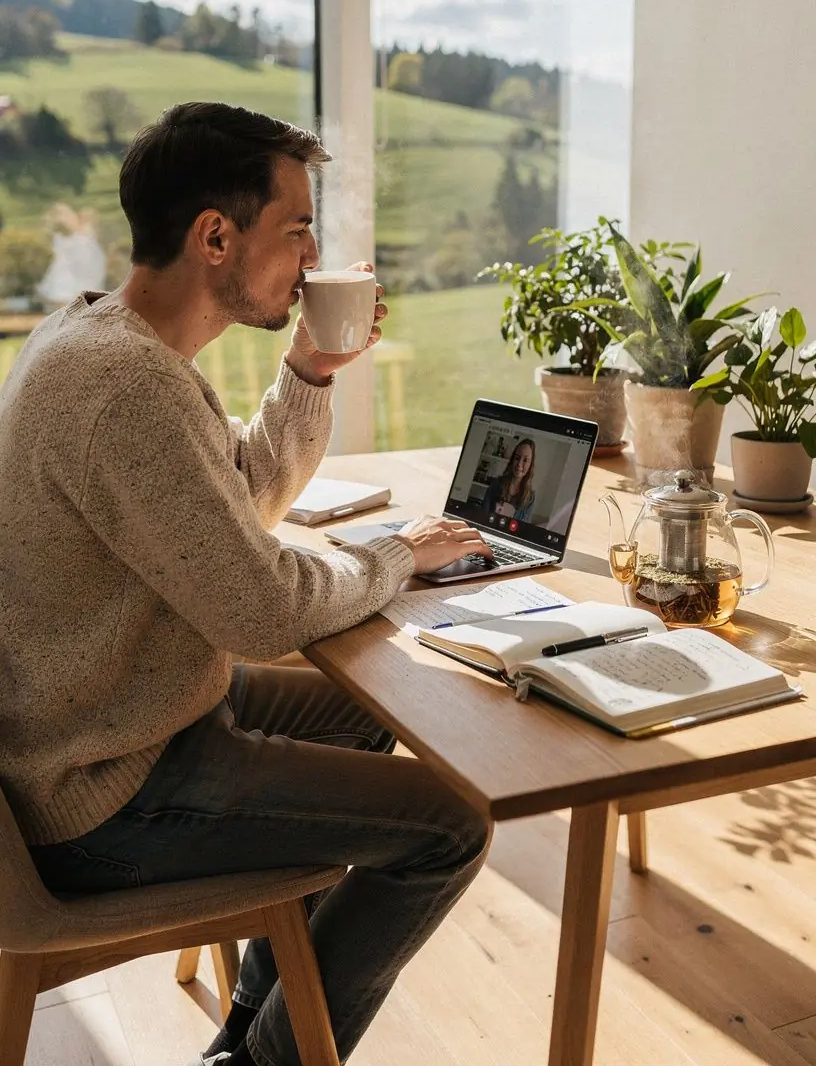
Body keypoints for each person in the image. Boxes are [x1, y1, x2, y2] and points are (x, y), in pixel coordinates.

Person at [0, 101, 494, 1066]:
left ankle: (256, 1031)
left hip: (122, 715)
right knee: (453, 825)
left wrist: (309, 370)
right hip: (107, 789)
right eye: (300, 225)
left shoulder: (101, 342)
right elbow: (261, 609)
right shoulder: (125, 388)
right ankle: (269, 1061)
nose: (315, 258)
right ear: (215, 236)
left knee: (369, 705)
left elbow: (239, 503)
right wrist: (396, 558)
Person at [484, 437, 537, 523]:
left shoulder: (530, 497)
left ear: (531, 465)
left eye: (525, 460)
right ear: (512, 460)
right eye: (517, 458)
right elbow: (483, 516)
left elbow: (524, 528)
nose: (519, 464)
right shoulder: (496, 484)